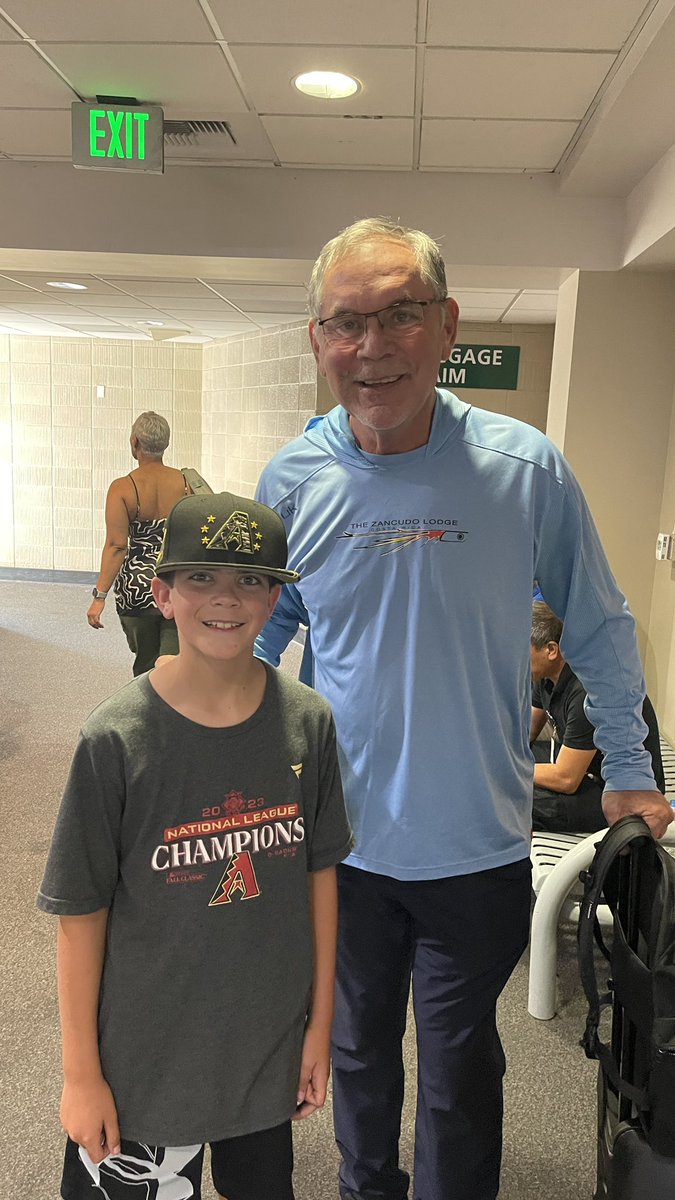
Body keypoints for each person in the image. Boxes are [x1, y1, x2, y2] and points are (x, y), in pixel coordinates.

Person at [253, 216, 673, 1200]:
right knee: (354, 1056)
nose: (372, 345)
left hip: (476, 846)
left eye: (400, 314)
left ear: (446, 326)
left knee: (455, 1072)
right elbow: (262, 641)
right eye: (345, 322)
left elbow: (603, 627)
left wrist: (632, 770)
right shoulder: (292, 479)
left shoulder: (523, 470)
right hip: (341, 843)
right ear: (317, 340)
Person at [39, 490, 352, 1200]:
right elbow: (79, 915)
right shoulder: (116, 740)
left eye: (250, 580)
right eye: (201, 578)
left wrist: (318, 1029)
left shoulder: (307, 724)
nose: (227, 599)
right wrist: (82, 1074)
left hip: (261, 1048)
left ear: (275, 600)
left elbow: (319, 879)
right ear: (162, 592)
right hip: (143, 1062)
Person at [530, 600, 665, 833]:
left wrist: (505, 771)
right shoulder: (544, 675)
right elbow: (526, 733)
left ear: (551, 650)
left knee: (512, 802)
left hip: (621, 790)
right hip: (584, 766)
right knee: (501, 783)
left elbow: (566, 779)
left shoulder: (587, 689)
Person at [86, 410, 190, 675]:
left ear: (135, 443)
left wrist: (100, 597)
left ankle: (147, 709)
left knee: (145, 665)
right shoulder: (187, 483)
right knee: (174, 662)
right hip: (176, 581)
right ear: (165, 443)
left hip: (137, 590)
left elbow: (116, 546)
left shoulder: (122, 488)